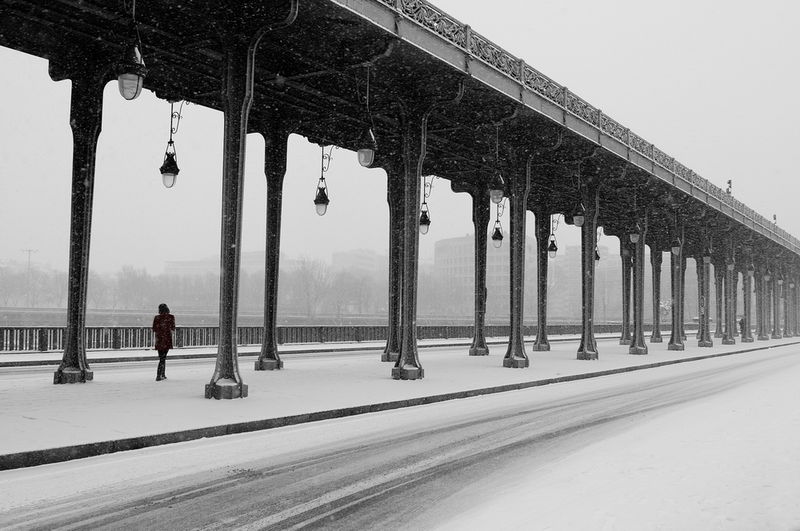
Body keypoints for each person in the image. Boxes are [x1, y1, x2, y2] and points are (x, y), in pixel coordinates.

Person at [153, 303, 176, 381]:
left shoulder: (157, 318)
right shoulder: (171, 317)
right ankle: (160, 375)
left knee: (161, 358)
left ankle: (161, 374)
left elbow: (154, 329)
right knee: (163, 358)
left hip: (159, 339)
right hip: (167, 339)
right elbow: (173, 327)